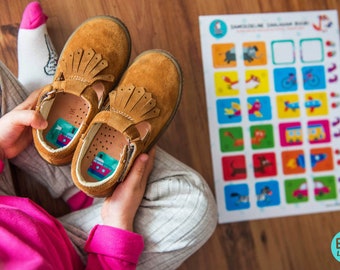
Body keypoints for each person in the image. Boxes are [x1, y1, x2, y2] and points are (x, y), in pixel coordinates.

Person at [0, 2, 218, 269]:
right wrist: (117, 227)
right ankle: (86, 185)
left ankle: (46, 109)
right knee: (194, 208)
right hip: (72, 256)